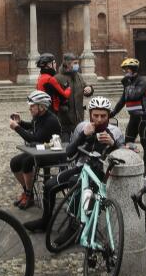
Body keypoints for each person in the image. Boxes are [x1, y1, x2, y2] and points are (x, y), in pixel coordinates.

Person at [24, 96, 124, 233]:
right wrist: (83, 134)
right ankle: (45, 221)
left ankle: (72, 228)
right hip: (81, 167)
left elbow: (123, 158)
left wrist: (113, 144)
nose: (99, 119)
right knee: (49, 186)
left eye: (103, 116)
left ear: (108, 115)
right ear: (90, 114)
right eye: (95, 115)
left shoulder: (115, 131)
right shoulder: (82, 127)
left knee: (74, 183)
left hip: (100, 173)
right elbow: (69, 153)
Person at [7, 90, 63, 210]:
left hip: (52, 153)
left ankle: (28, 194)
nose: (30, 109)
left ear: (42, 107)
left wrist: (17, 128)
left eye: (32, 106)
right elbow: (32, 126)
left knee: (27, 162)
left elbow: (33, 138)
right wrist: (20, 123)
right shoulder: (39, 117)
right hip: (39, 151)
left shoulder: (50, 120)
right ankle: (28, 192)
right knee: (14, 162)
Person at [113, 57, 146, 171]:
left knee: (145, 143)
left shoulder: (143, 82)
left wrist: (126, 84)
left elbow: (134, 95)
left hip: (144, 117)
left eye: (127, 69)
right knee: (127, 142)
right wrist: (112, 113)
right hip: (133, 117)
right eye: (124, 70)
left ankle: (145, 170)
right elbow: (123, 100)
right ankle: (129, 165)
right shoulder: (129, 83)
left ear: (133, 69)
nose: (125, 72)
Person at [54, 52, 92, 132]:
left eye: (77, 63)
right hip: (64, 120)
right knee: (66, 143)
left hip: (79, 118)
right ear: (67, 64)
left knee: (79, 142)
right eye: (75, 63)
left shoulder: (78, 76)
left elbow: (85, 86)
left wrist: (89, 89)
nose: (77, 65)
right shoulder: (58, 78)